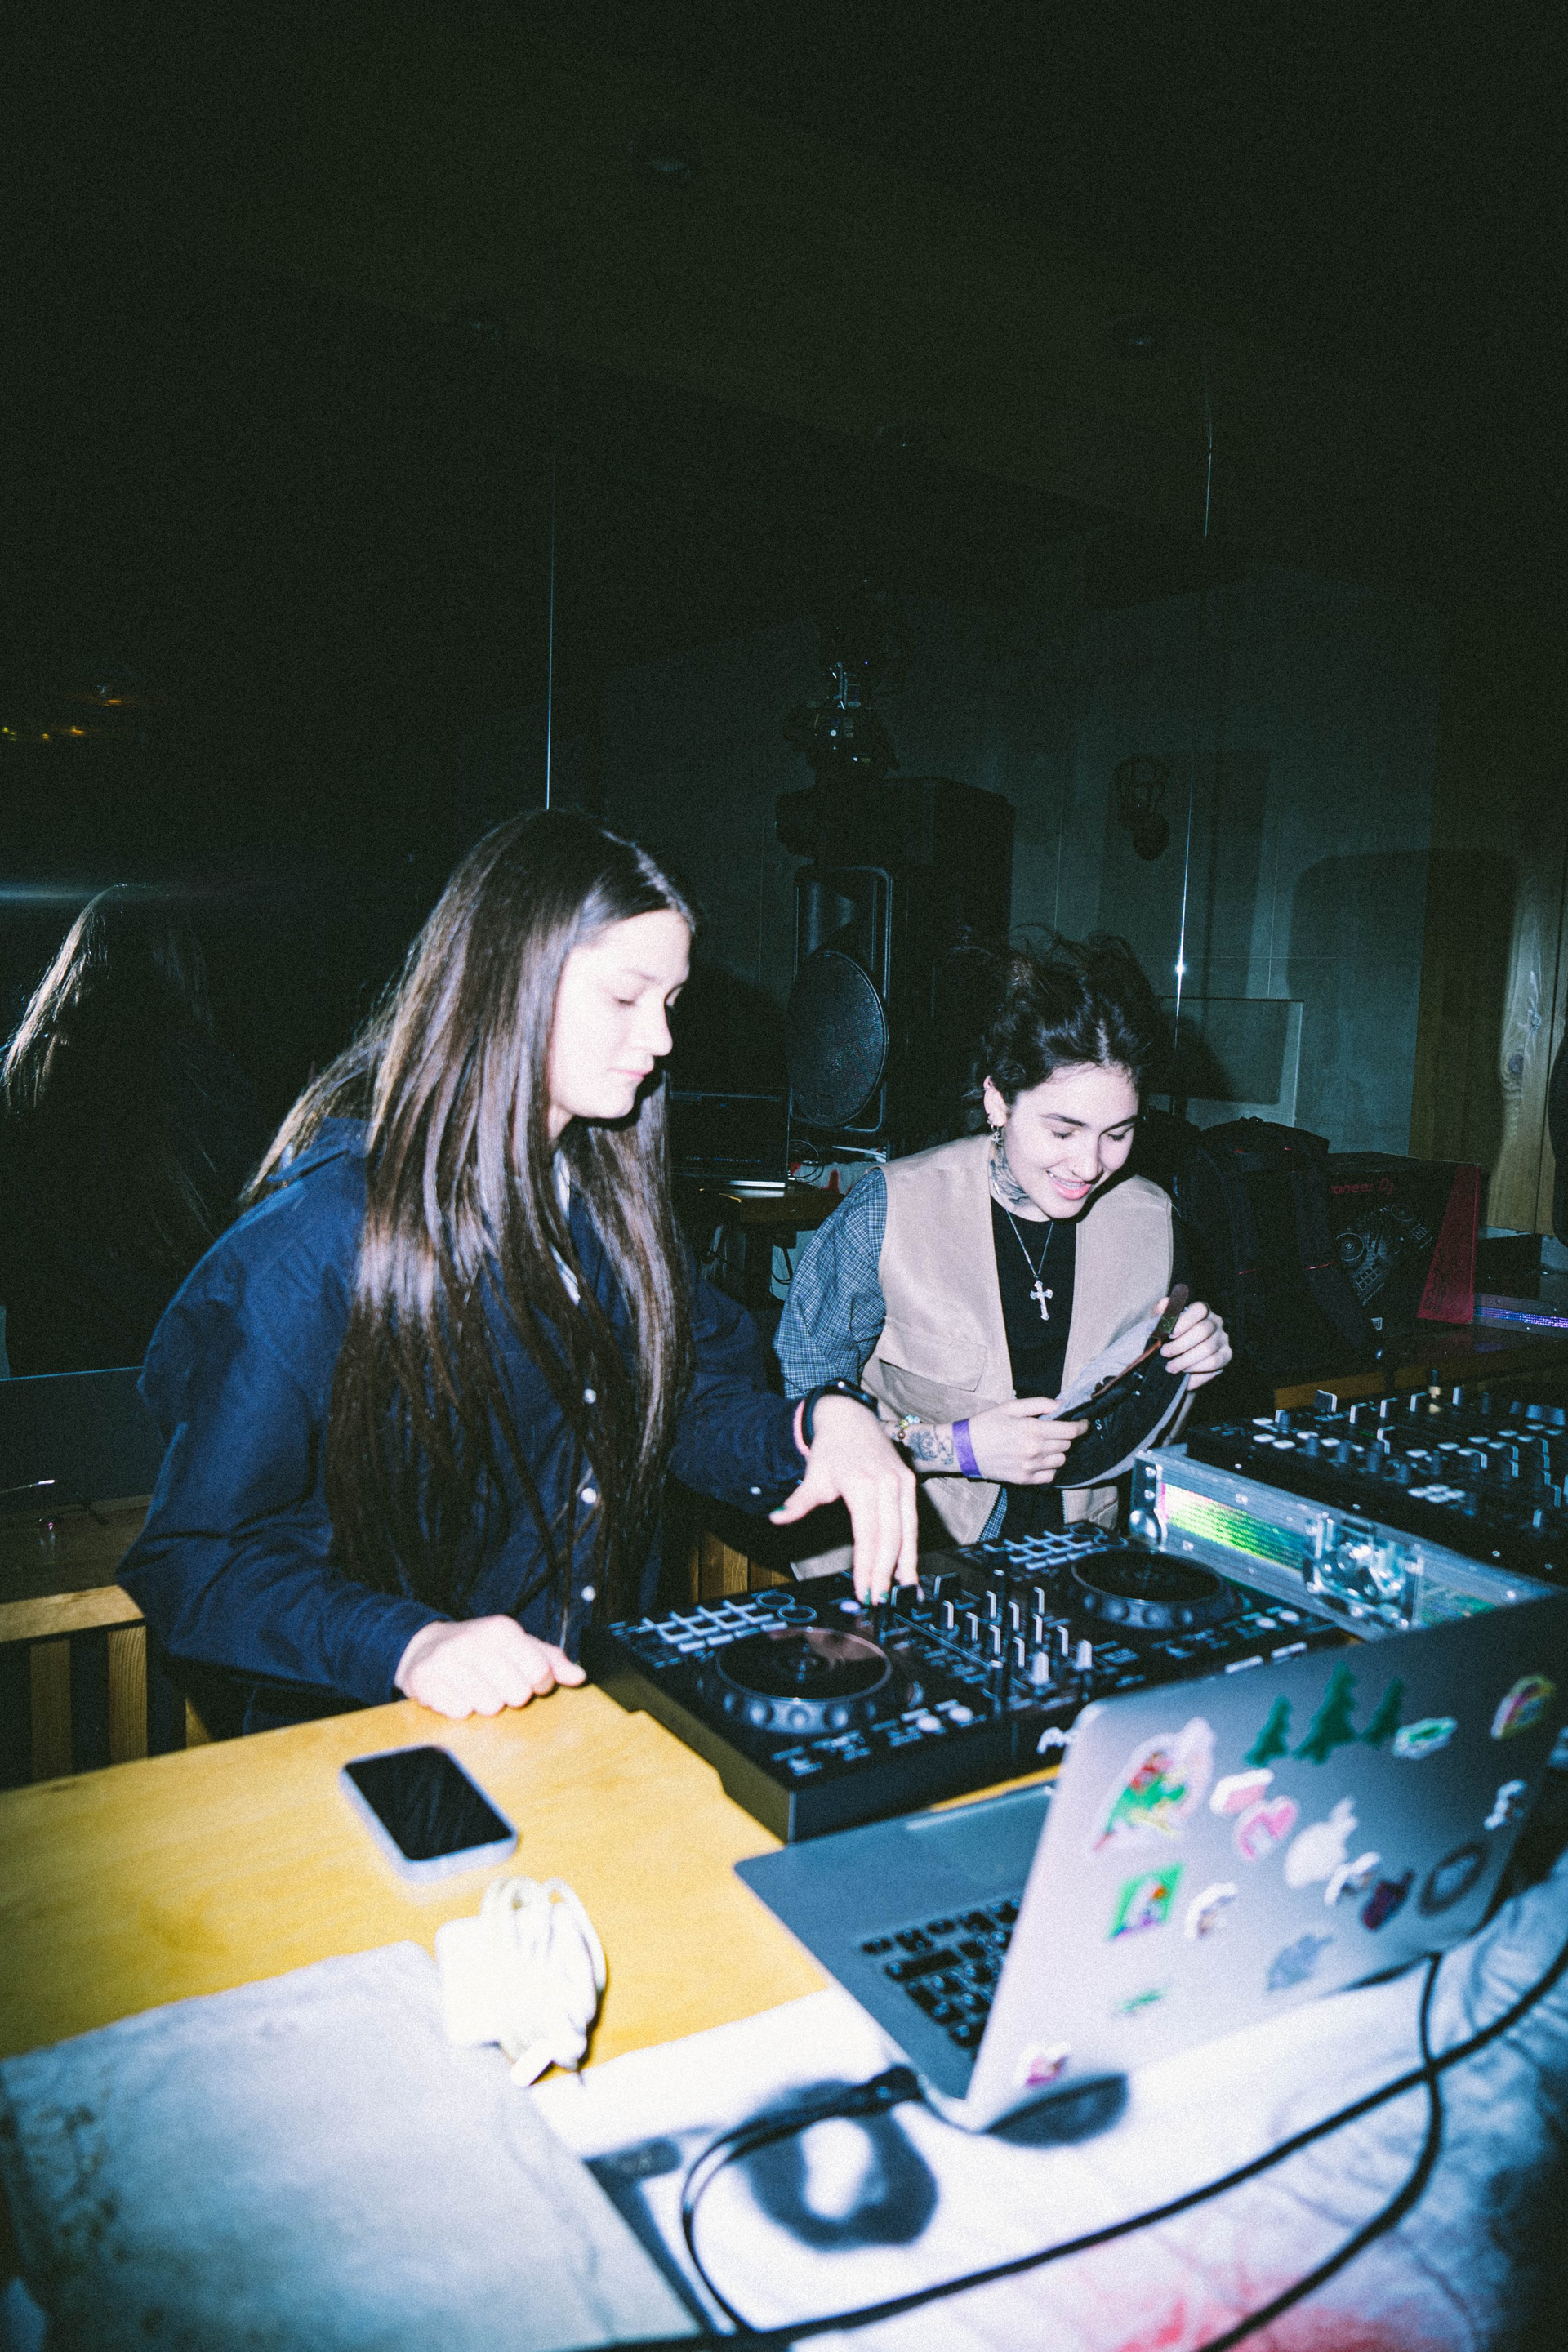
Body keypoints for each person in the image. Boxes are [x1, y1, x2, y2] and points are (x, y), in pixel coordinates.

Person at [118, 812, 915, 1732]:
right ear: (509, 980)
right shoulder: (320, 1241)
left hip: (569, 1715)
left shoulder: (613, 1207)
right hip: (375, 1738)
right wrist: (409, 1644)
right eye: (626, 997)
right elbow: (196, 1560)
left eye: (670, 1002)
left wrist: (820, 1425)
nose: (661, 1040)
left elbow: (684, 1403)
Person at [777, 934, 1232, 1563]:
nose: (1090, 1165)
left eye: (1118, 1134)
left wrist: (1188, 1374)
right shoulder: (889, 1210)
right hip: (909, 1557)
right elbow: (794, 1418)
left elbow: (1136, 1438)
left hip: (1076, 1556)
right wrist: (957, 1448)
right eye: (1063, 1130)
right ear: (998, 1100)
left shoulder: (1154, 1222)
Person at [0, 886, 267, 1375]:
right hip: (171, 1366)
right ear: (177, 962)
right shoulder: (204, 1081)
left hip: (48, 1370)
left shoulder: (22, 1077)